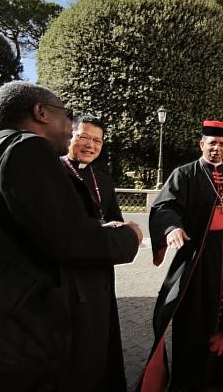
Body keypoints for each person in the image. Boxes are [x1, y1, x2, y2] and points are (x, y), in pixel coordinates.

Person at [0, 80, 142, 390]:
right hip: (59, 295)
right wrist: (130, 237)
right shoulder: (31, 151)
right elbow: (70, 239)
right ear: (41, 112)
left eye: (98, 141)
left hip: (83, 284)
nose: (68, 127)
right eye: (67, 118)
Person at [140, 120, 223, 392]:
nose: (217, 148)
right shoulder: (185, 173)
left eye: (222, 144)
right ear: (201, 144)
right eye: (211, 143)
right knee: (192, 316)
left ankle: (217, 373)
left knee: (221, 314)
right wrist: (171, 227)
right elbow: (164, 205)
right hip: (197, 256)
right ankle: (188, 379)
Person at [60, 114, 131, 391]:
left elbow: (116, 219)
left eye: (97, 140)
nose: (90, 145)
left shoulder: (102, 179)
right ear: (70, 136)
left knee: (100, 338)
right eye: (84, 137)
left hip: (99, 274)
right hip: (67, 275)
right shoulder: (54, 173)